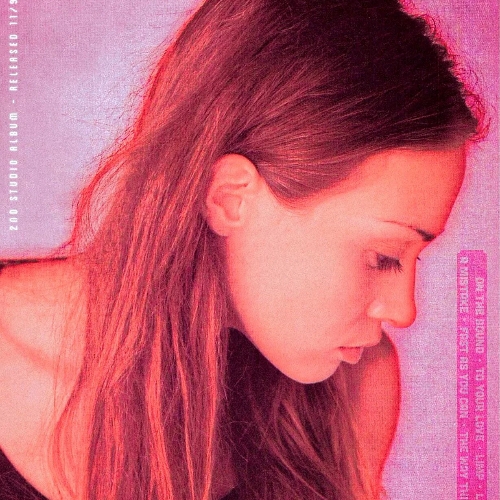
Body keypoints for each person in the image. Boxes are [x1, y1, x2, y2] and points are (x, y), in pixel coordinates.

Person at [0, 0, 482, 499]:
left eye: (414, 259)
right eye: (383, 256)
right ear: (230, 197)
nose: (403, 311)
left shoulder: (352, 387)